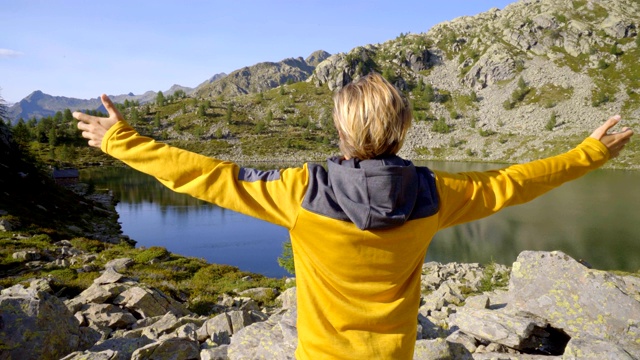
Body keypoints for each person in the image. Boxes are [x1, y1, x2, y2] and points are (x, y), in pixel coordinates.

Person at [74, 73, 633, 359]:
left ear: (341, 130)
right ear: (403, 129)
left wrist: (121, 141)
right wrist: (590, 152)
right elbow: (514, 182)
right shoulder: (436, 196)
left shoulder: (299, 192)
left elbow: (209, 176)